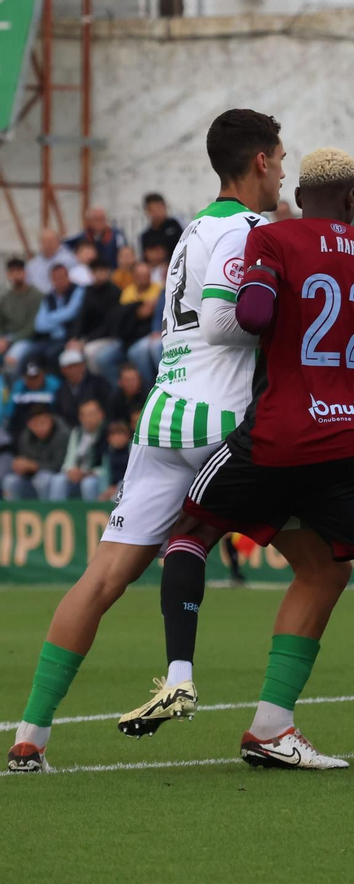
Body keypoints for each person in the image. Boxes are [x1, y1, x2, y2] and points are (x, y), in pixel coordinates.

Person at [133, 146, 354, 778]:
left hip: (275, 437)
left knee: (190, 536)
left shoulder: (274, 238)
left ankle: (183, 675)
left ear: (301, 194)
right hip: (352, 446)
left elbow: (251, 315)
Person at [6, 111, 327, 774]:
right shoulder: (248, 230)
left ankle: (29, 735)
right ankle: (272, 725)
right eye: (282, 157)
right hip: (224, 421)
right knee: (323, 566)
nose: (287, 168)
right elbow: (227, 320)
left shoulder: (190, 232)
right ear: (260, 162)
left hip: (163, 414)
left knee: (101, 577)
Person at [71, 258, 124, 377]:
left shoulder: (115, 292)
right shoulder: (89, 291)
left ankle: (100, 384)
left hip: (110, 336)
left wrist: (85, 340)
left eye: (102, 271)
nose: (99, 274)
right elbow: (81, 316)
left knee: (89, 352)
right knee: (70, 353)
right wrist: (74, 337)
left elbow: (110, 324)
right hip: (91, 337)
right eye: (96, 271)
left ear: (108, 272)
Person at [32, 264, 85, 366]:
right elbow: (39, 324)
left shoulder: (78, 291)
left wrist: (49, 317)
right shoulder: (49, 297)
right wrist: (58, 326)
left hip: (70, 336)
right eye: (55, 278)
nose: (59, 281)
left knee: (51, 354)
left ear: (68, 277)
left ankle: (56, 381)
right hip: (51, 337)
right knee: (33, 353)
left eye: (61, 277)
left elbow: (71, 312)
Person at [2, 256, 45, 374]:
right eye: (12, 272)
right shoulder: (6, 297)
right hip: (7, 337)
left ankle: (15, 391)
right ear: (8, 275)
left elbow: (32, 326)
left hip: (28, 339)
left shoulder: (36, 295)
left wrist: (8, 340)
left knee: (11, 360)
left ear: (25, 273)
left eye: (19, 271)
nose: (16, 275)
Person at [61, 398, 108, 502]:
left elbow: (107, 465)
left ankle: (91, 515)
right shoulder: (77, 433)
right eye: (84, 415)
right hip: (77, 473)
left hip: (96, 475)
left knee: (88, 484)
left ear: (101, 414)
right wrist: (70, 471)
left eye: (91, 414)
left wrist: (87, 473)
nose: (88, 418)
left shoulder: (107, 434)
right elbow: (69, 459)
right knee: (58, 481)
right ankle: (55, 513)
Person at [52, 348, 112, 427]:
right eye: (70, 367)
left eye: (77, 365)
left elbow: (109, 408)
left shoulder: (99, 383)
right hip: (74, 430)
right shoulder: (60, 392)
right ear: (63, 370)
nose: (74, 370)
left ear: (83, 365)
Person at [26, 229, 75, 294]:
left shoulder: (69, 259)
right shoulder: (32, 264)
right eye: (44, 241)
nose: (48, 244)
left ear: (58, 242)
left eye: (51, 241)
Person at [140, 193, 183, 264]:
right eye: (152, 210)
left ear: (165, 207)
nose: (156, 212)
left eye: (158, 208)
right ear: (147, 211)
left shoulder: (174, 225)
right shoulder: (146, 236)